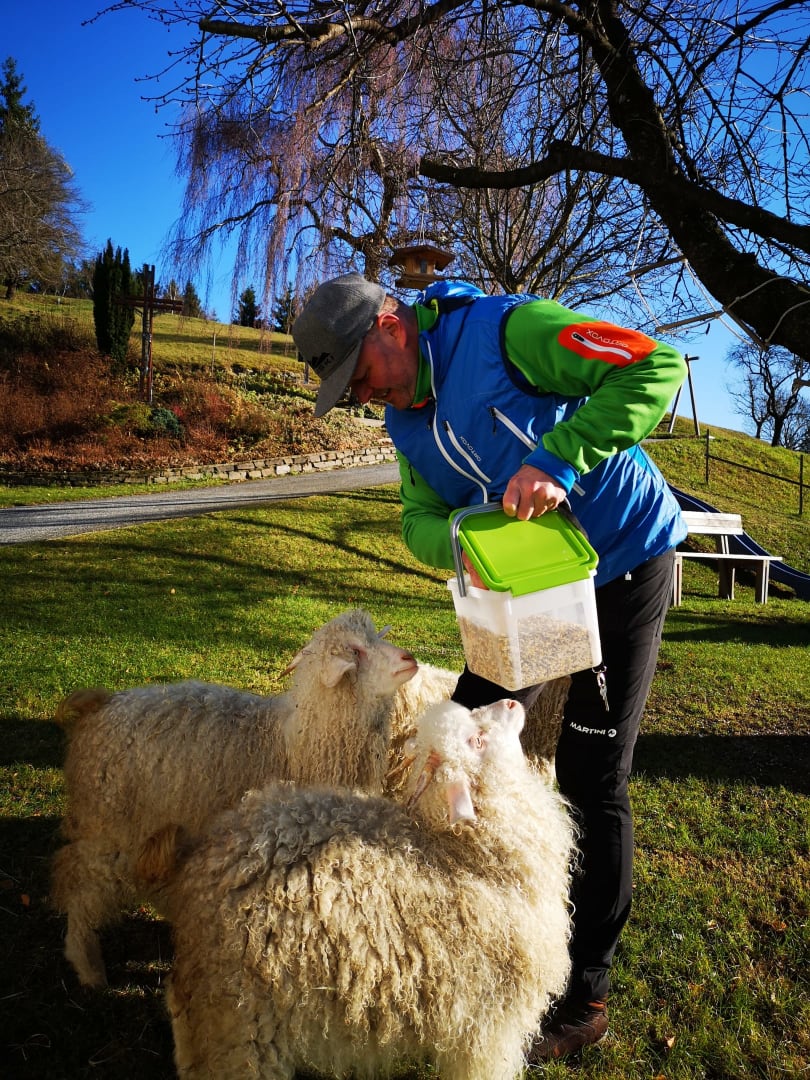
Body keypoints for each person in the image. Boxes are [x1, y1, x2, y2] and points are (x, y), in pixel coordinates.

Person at [292, 271, 688, 1061]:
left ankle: (585, 996)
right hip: (533, 590)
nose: (365, 397)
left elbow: (656, 367)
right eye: (349, 392)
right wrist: (461, 539)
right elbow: (417, 519)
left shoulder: (507, 333)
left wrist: (558, 459)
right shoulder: (404, 424)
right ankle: (455, 927)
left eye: (360, 375)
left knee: (591, 774)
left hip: (623, 561)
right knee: (455, 743)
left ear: (391, 326)